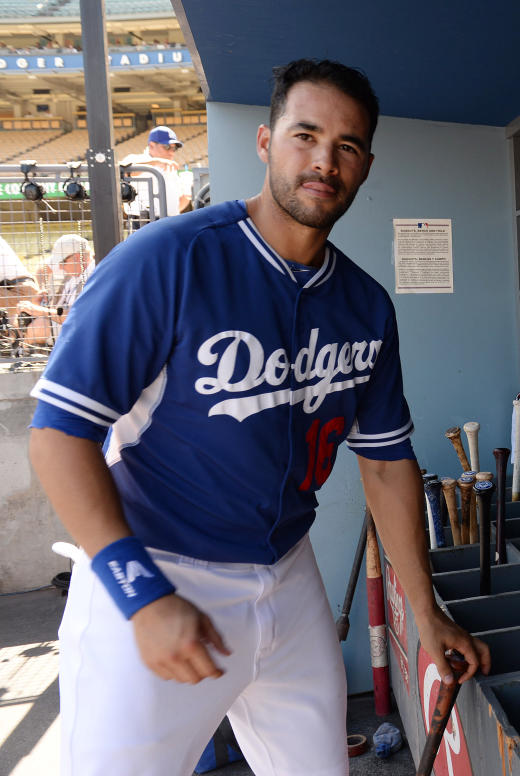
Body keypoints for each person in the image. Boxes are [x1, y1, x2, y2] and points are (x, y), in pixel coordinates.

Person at [28, 58, 490, 775]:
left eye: (347, 146)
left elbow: (387, 460)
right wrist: (139, 592)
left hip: (286, 570)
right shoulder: (165, 261)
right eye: (305, 135)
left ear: (367, 164)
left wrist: (424, 612)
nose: (324, 161)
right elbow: (59, 435)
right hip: (158, 567)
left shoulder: (365, 305)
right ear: (266, 140)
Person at [20, 233, 93, 346]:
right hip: (58, 320)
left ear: (77, 257)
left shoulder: (91, 277)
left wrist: (40, 311)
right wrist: (42, 294)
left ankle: (22, 351)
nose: (59, 267)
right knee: (22, 315)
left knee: (39, 326)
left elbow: (76, 317)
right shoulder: (76, 269)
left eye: (62, 262)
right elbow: (42, 269)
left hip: (74, 329)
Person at [120, 124, 193, 217]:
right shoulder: (136, 159)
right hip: (143, 220)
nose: (171, 151)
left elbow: (175, 206)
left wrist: (186, 195)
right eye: (167, 147)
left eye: (174, 148)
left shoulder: (170, 166)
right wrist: (155, 162)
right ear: (151, 145)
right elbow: (122, 169)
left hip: (168, 220)